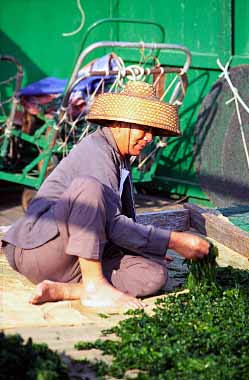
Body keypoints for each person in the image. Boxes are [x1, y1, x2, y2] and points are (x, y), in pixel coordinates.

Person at [2, 80, 210, 310]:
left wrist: (146, 249)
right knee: (89, 189)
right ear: (119, 123)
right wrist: (173, 241)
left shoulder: (121, 161)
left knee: (154, 274)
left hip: (72, 262)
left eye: (153, 131)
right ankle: (94, 287)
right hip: (38, 249)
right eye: (144, 129)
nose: (150, 137)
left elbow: (113, 224)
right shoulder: (97, 151)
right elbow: (112, 223)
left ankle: (69, 290)